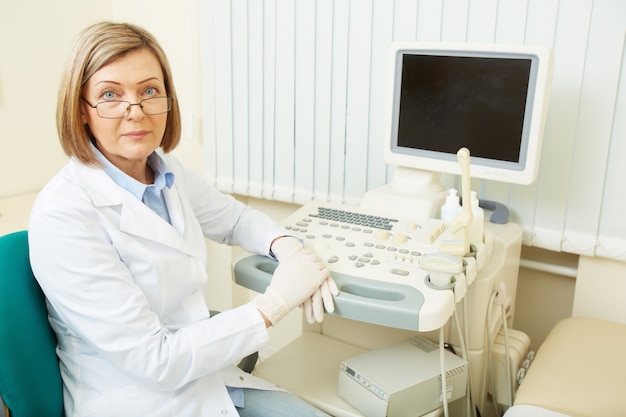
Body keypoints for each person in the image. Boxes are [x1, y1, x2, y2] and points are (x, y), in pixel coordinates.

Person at [28, 21, 338, 417]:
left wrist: (287, 247)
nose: (135, 111)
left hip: (203, 378)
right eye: (110, 95)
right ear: (81, 111)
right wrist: (273, 305)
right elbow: (154, 360)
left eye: (149, 91)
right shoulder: (64, 216)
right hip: (139, 400)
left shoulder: (162, 170)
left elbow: (234, 219)